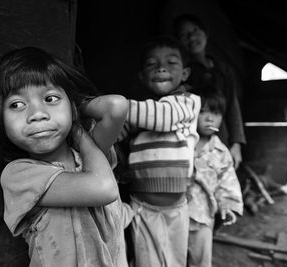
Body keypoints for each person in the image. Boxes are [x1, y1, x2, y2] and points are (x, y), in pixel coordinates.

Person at [0, 46, 132, 267]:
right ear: (0, 120)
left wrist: (74, 110)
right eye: (17, 105)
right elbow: (104, 188)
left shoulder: (86, 157)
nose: (37, 115)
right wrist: (78, 131)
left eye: (50, 99)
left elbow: (116, 106)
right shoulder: (19, 175)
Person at [117, 36, 201, 267]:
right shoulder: (140, 113)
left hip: (176, 206)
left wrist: (115, 106)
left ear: (184, 74)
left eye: (171, 62)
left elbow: (163, 116)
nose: (161, 67)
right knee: (147, 261)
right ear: (142, 76)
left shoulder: (187, 102)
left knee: (174, 260)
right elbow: (116, 134)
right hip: (142, 205)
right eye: (151, 63)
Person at [173, 13, 246, 170]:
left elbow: (232, 105)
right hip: (193, 136)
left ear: (205, 32)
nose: (192, 38)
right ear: (179, 42)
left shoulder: (223, 70)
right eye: (184, 35)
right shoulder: (183, 73)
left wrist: (236, 143)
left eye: (195, 30)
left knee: (222, 174)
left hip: (222, 133)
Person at [187, 88, 243, 267]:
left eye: (216, 113)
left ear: (222, 118)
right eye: (202, 112)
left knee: (200, 261)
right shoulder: (181, 143)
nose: (209, 118)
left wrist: (226, 205)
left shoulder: (221, 152)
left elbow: (226, 182)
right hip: (173, 214)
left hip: (203, 217)